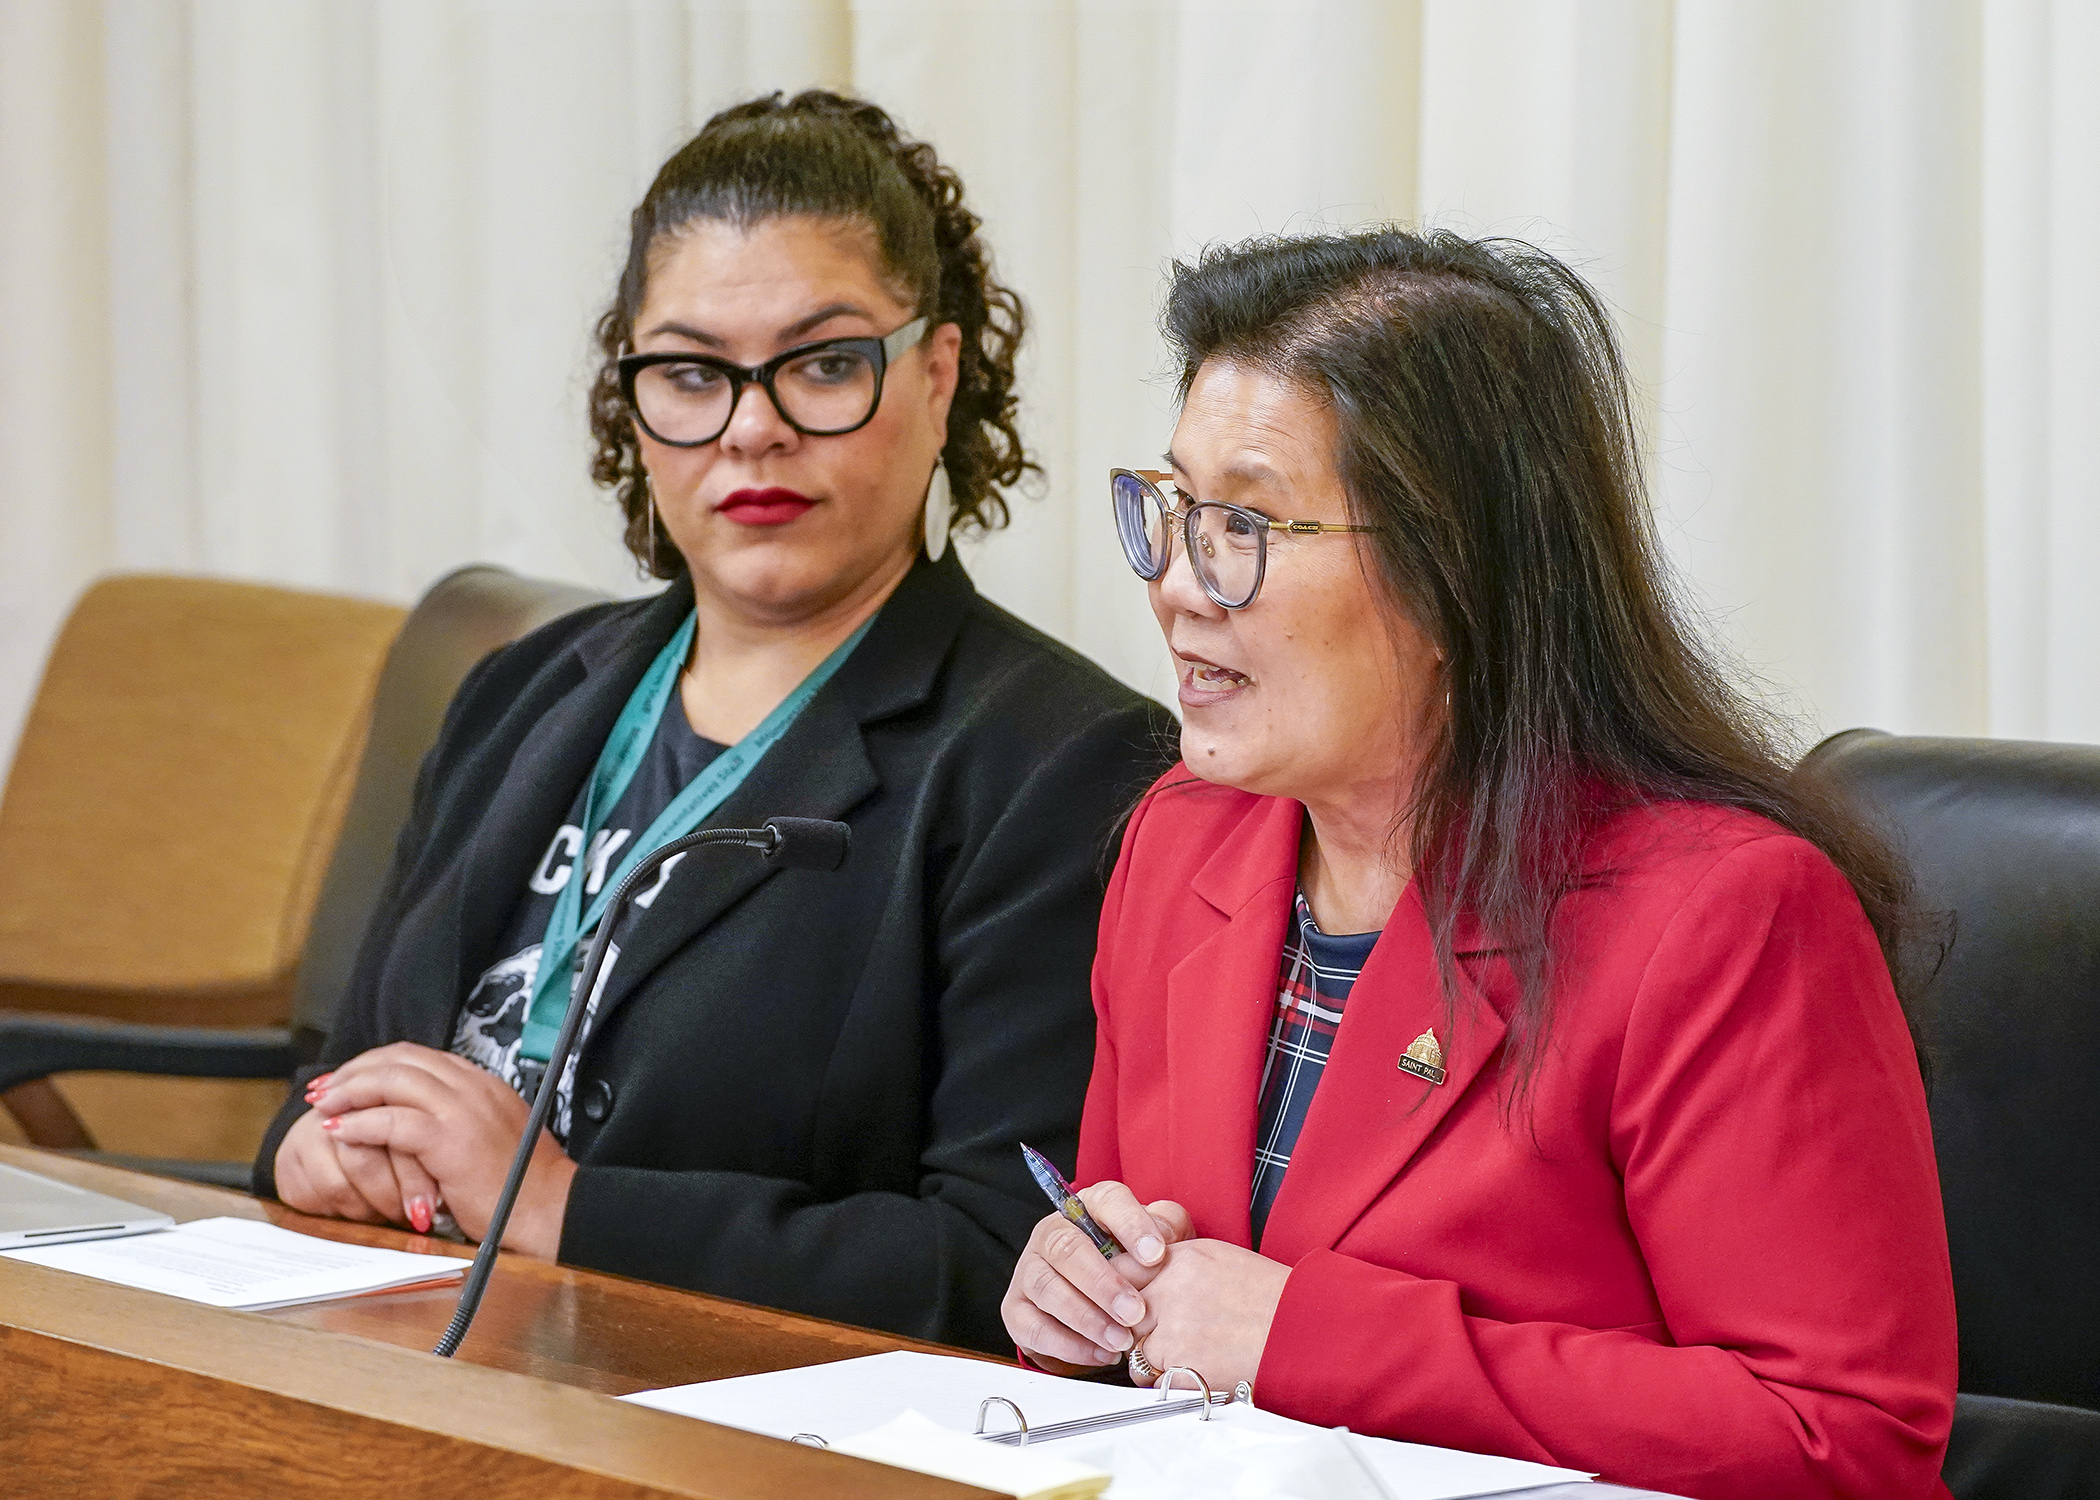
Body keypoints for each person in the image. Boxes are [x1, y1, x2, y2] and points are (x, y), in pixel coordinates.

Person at [1002, 229, 1958, 1498]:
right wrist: (1079, 1288)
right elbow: (1156, 1281)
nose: (1178, 582)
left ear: (1454, 576)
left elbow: (1841, 1444)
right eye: (1172, 510)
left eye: (1242, 523)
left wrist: (1302, 1340)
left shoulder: (1725, 915)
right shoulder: (1182, 840)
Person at [255, 91, 1172, 1354]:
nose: (753, 426)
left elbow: (1005, 1255)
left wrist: (565, 1208)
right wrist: (312, 1151)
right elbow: (329, 1068)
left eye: (824, 364)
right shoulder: (519, 689)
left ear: (938, 372)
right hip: (391, 1352)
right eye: (691, 373)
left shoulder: (1062, 763)